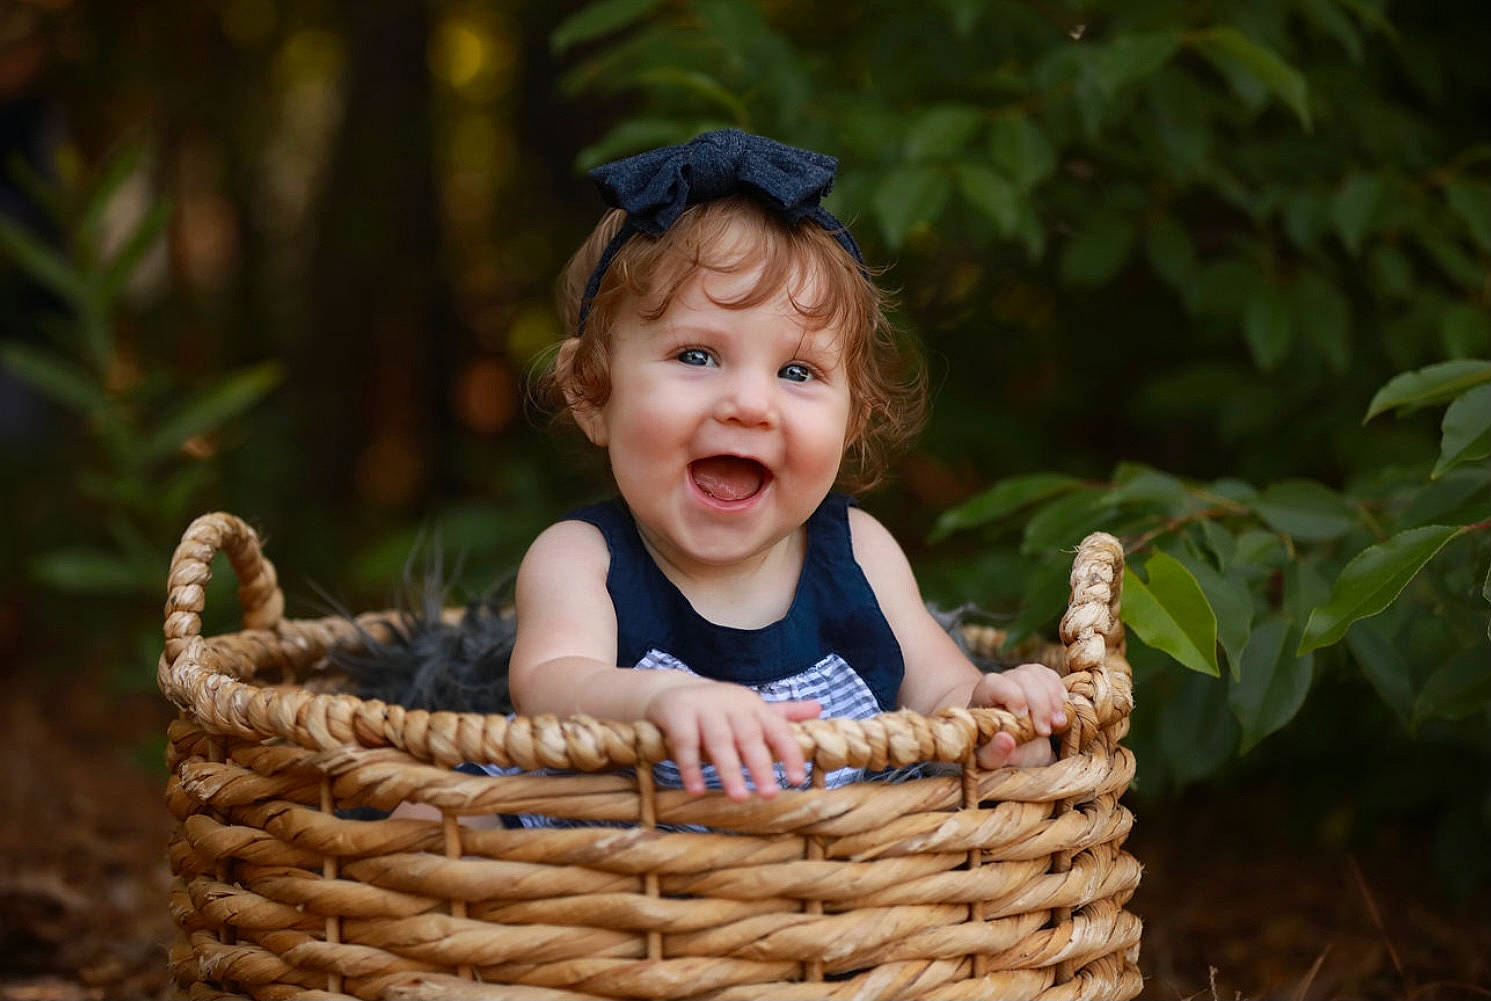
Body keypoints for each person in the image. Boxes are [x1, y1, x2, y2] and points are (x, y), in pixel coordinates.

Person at [502, 128, 1067, 804]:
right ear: (592, 391)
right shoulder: (580, 557)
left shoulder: (859, 554)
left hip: (825, 862)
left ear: (852, 419)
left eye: (797, 371)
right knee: (434, 817)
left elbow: (943, 692)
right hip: (606, 853)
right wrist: (656, 699)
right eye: (696, 356)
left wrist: (995, 716)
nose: (749, 405)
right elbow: (550, 682)